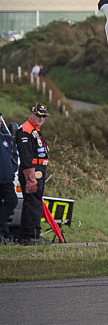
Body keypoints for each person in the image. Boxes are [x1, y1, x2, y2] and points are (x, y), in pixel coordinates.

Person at [15, 103, 50, 245]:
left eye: (43, 116)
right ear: (31, 114)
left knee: (35, 202)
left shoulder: (35, 129)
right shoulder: (25, 130)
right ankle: (30, 236)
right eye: (38, 115)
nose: (41, 118)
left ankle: (29, 235)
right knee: (33, 203)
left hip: (38, 170)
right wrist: (30, 178)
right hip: (31, 171)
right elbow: (26, 156)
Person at [0, 111, 18, 245]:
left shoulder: (6, 135)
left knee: (12, 201)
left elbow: (14, 154)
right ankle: (4, 235)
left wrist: (12, 169)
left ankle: (4, 234)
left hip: (6, 178)